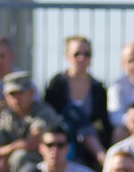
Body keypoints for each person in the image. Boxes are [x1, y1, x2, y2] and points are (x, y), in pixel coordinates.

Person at [42, 35, 111, 165]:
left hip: (88, 143)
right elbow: (49, 114)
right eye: (77, 54)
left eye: (87, 54)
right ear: (68, 56)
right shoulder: (56, 84)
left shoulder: (98, 88)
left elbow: (103, 121)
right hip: (62, 140)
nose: (82, 58)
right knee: (73, 114)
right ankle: (102, 157)